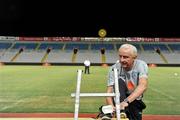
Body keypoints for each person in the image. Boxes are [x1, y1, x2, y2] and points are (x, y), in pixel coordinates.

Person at [104, 43, 148, 120]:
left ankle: (123, 110)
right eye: (120, 56)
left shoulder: (141, 65)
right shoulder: (113, 68)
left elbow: (143, 85)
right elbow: (109, 92)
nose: (121, 60)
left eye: (125, 57)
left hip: (134, 99)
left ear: (134, 57)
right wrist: (112, 107)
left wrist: (126, 102)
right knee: (119, 81)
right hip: (118, 101)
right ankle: (121, 111)